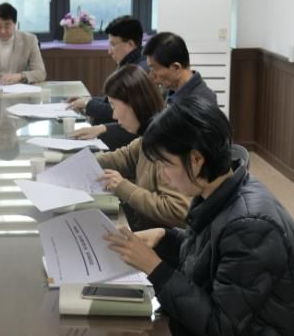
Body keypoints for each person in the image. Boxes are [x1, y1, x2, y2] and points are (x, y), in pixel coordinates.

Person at [105, 97, 294, 335]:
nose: (163, 175)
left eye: (166, 164)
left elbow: (221, 326)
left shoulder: (251, 226)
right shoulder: (219, 190)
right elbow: (214, 254)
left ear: (196, 160)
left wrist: (154, 267)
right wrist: (165, 237)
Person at [94, 65, 189, 230]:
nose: (114, 116)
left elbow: (177, 211)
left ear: (133, 103)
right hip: (143, 229)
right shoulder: (150, 134)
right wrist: (82, 162)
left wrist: (123, 187)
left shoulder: (167, 142)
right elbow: (124, 157)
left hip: (161, 240)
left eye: (114, 106)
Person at [67, 16, 147, 149]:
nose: (109, 51)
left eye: (113, 45)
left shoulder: (137, 72)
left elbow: (120, 113)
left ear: (130, 44)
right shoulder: (131, 63)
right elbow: (115, 103)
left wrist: (88, 104)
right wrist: (89, 100)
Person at [143, 31, 217, 106]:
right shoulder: (171, 91)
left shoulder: (201, 103)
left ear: (176, 68)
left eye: (154, 69)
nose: (151, 76)